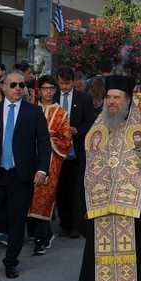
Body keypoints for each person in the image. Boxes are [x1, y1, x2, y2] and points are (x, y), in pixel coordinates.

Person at [73, 75, 141, 281]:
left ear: (127, 100)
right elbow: (88, 162)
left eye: (116, 98)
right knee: (97, 249)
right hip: (101, 199)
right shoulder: (98, 126)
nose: (112, 102)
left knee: (130, 249)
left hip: (129, 200)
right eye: (109, 97)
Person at [0, 69, 51, 279]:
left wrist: (42, 169)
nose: (18, 89)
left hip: (21, 175)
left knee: (17, 222)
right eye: (13, 85)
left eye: (21, 85)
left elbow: (44, 144)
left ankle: (11, 262)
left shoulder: (33, 112)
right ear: (4, 87)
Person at [27, 75, 72, 255]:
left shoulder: (61, 113)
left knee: (44, 196)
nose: (48, 92)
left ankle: (41, 236)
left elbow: (67, 140)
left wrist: (48, 142)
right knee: (28, 195)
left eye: (51, 89)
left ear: (55, 90)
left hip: (52, 159)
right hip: (29, 157)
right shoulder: (31, 109)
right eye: (45, 88)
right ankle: (36, 233)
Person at [54, 66, 96, 239]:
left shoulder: (83, 99)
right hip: (57, 150)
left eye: (67, 83)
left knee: (75, 188)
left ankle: (75, 224)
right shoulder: (53, 98)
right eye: (61, 83)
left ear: (73, 82)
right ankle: (64, 223)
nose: (64, 87)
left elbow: (90, 123)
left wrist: (76, 130)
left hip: (76, 149)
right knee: (60, 189)